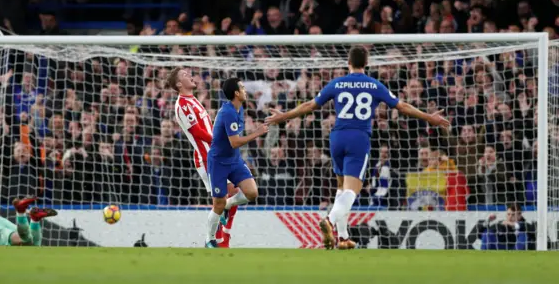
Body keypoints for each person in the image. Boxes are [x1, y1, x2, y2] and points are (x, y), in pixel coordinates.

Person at [265, 46, 450, 249]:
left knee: (341, 188)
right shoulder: (374, 85)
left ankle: (342, 238)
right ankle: (330, 220)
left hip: (336, 137)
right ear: (367, 63)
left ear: (348, 63)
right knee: (353, 190)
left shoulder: (337, 83)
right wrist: (428, 117)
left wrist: (283, 116)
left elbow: (310, 105)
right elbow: (401, 106)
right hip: (358, 138)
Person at [167, 67, 240, 248]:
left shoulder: (194, 100)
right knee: (230, 196)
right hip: (207, 157)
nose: (190, 75)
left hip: (214, 154)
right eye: (185, 75)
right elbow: (196, 131)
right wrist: (218, 140)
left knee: (229, 197)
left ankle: (219, 237)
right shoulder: (182, 105)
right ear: (178, 84)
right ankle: (215, 239)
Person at [204, 78, 268, 248]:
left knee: (252, 193)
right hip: (218, 162)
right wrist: (258, 132)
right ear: (236, 93)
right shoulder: (228, 113)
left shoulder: (239, 109)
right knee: (218, 203)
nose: (245, 90)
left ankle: (228, 204)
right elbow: (234, 142)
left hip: (234, 160)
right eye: (242, 88)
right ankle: (209, 239)